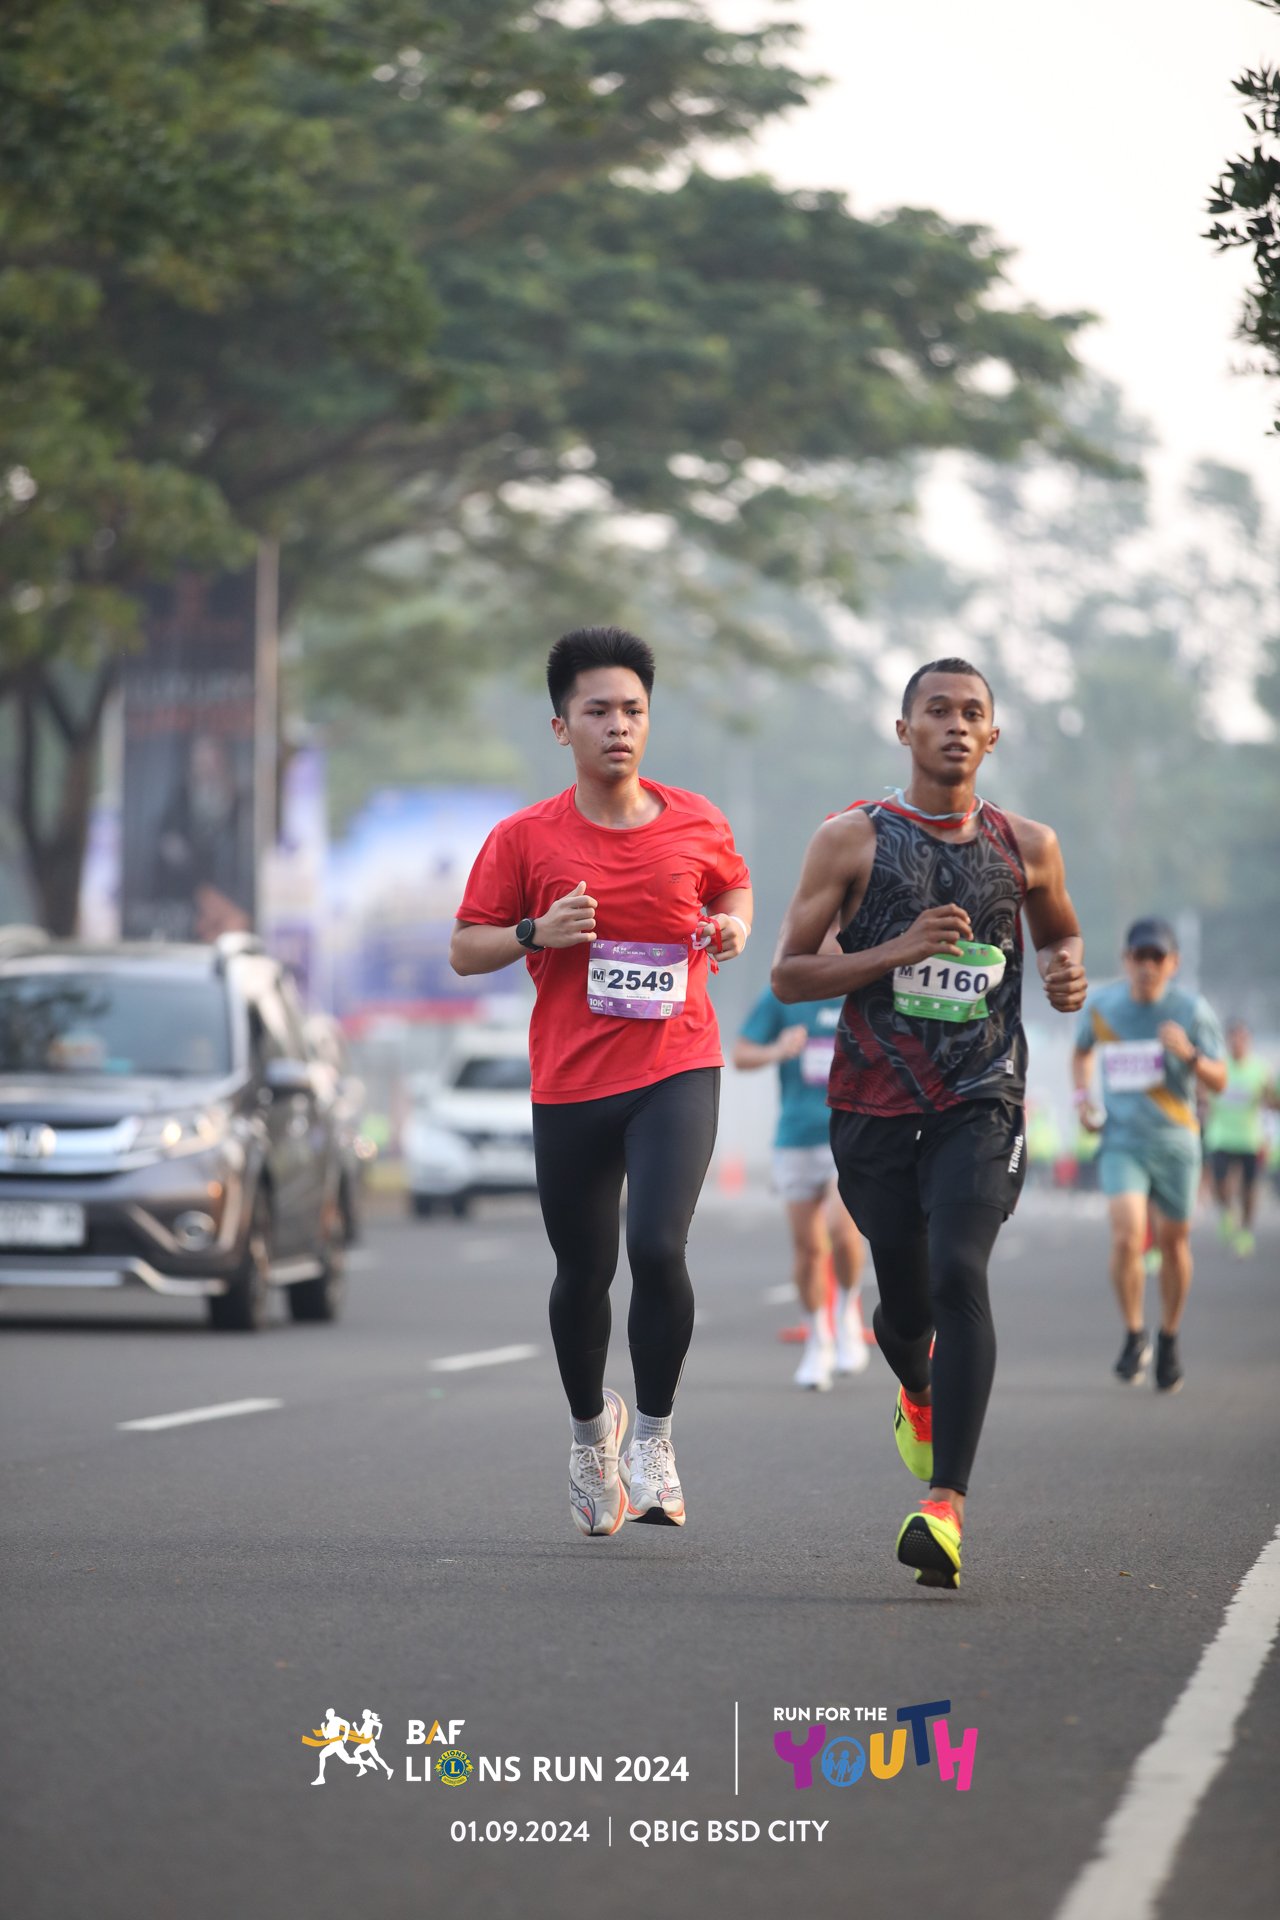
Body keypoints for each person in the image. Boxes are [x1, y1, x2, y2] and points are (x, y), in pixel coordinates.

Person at [772, 657, 1087, 1591]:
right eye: (936, 710)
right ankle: (915, 1388)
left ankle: (944, 1505)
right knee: (906, 1313)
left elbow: (1061, 933)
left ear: (993, 735)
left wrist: (1066, 969)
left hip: (981, 1099)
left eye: (971, 712)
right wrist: (897, 950)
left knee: (959, 1271)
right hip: (871, 1105)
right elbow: (788, 974)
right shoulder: (851, 840)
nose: (955, 725)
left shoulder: (1029, 845)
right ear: (903, 730)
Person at [450, 626, 751, 1536]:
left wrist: (732, 926)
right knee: (584, 1273)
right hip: (572, 1083)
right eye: (598, 711)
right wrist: (535, 933)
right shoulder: (524, 838)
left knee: (657, 1247)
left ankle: (653, 1437)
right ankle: (592, 1438)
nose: (618, 726)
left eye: (633, 710)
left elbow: (731, 888)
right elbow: (465, 949)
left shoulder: (697, 820)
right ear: (561, 728)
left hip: (675, 1068)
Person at [1072, 917, 1226, 1393]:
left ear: (1172, 963)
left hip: (1176, 1143)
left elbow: (1220, 1079)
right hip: (1121, 1142)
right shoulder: (1102, 1006)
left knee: (1174, 1243)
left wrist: (1189, 1054)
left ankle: (1169, 1337)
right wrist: (1082, 1100)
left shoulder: (1192, 1010)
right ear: (1126, 959)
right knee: (1127, 1236)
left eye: (1157, 958)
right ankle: (1135, 1332)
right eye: (1139, 956)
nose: (1147, 966)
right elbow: (1081, 1053)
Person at [733, 931, 868, 1391]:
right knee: (808, 1248)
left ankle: (847, 1309)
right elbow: (741, 1053)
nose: (836, 940)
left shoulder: (864, 988)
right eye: (826, 931)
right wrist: (777, 1050)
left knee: (842, 1231)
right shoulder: (784, 992)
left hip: (848, 1134)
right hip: (795, 1136)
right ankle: (818, 1340)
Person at [1205, 1021, 1277, 1256]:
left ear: (1248, 1041)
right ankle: (1227, 1212)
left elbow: (1271, 1102)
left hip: (1249, 1138)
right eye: (1233, 1038)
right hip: (1220, 1135)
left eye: (1242, 1038)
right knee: (1219, 1184)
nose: (1237, 1043)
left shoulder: (1260, 1069)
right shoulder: (1218, 1065)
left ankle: (1245, 1231)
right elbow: (1202, 1094)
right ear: (1228, 1040)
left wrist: (1272, 1104)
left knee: (1249, 1187)